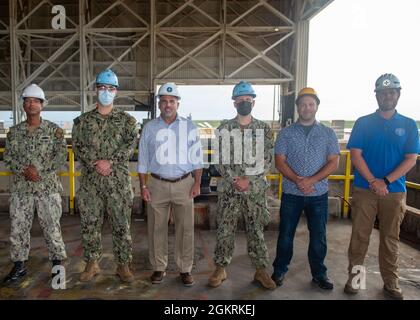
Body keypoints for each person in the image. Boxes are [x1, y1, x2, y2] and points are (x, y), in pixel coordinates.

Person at [344, 74, 419, 300]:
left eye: (391, 92)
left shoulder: (408, 124)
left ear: (398, 94)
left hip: (394, 192)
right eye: (383, 92)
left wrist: (384, 182)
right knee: (360, 236)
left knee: (390, 238)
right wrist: (373, 182)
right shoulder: (363, 122)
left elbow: (410, 158)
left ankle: (391, 282)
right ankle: (356, 279)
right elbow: (356, 155)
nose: (387, 96)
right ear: (376, 95)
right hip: (365, 190)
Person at [208, 81, 276, 290]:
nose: (244, 103)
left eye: (248, 100)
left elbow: (267, 160)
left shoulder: (264, 129)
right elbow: (219, 160)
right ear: (234, 103)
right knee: (225, 229)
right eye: (240, 100)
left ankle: (260, 270)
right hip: (230, 190)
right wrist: (235, 179)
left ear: (253, 103)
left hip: (254, 192)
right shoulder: (224, 129)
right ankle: (220, 268)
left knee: (256, 230)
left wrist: (250, 181)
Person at [72, 69, 138, 283]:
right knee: (90, 223)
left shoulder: (127, 121)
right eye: (102, 88)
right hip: (91, 183)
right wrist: (95, 162)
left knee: (121, 224)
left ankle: (123, 264)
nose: (106, 92)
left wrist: (110, 162)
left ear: (116, 92)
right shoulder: (81, 121)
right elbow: (78, 146)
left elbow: (130, 146)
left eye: (110, 88)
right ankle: (92, 264)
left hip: (117, 182)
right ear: (96, 90)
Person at [271, 87, 340, 290]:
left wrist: (311, 181)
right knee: (285, 234)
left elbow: (333, 162)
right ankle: (280, 269)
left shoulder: (328, 133)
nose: (307, 108)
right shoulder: (286, 133)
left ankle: (319, 273)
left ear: (316, 106)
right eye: (303, 104)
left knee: (319, 236)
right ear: (298, 108)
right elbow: (280, 161)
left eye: (311, 104)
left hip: (318, 195)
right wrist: (299, 180)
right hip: (292, 193)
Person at [137, 82, 203, 287]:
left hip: (184, 184)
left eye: (171, 101)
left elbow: (197, 160)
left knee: (185, 229)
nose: (168, 105)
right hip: (156, 184)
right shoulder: (149, 128)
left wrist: (197, 183)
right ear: (159, 104)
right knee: (156, 228)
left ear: (178, 103)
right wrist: (143, 187)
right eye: (164, 101)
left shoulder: (189, 127)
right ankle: (159, 267)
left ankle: (185, 269)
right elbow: (143, 160)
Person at [3, 84, 67, 283]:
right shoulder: (14, 133)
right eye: (27, 100)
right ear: (23, 105)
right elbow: (9, 158)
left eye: (35, 101)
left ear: (42, 105)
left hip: (47, 188)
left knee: (52, 228)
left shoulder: (54, 131)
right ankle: (19, 266)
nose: (30, 104)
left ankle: (58, 267)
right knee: (18, 229)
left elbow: (60, 156)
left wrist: (39, 171)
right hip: (22, 190)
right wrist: (24, 170)